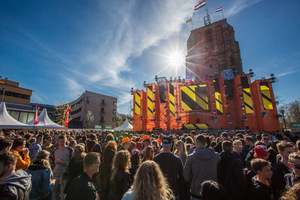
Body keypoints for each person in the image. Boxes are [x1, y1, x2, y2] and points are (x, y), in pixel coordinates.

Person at [184, 134, 220, 200]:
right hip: (212, 191)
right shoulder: (216, 156)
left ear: (197, 143)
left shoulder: (191, 158)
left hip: (196, 191)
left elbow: (186, 177)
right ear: (205, 143)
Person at [52, 135, 73, 200]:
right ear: (58, 142)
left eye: (63, 141)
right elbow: (53, 162)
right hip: (56, 173)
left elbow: (72, 162)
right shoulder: (55, 150)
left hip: (64, 174)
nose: (62, 143)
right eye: (60, 141)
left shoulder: (69, 150)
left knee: (63, 195)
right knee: (54, 194)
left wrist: (64, 162)